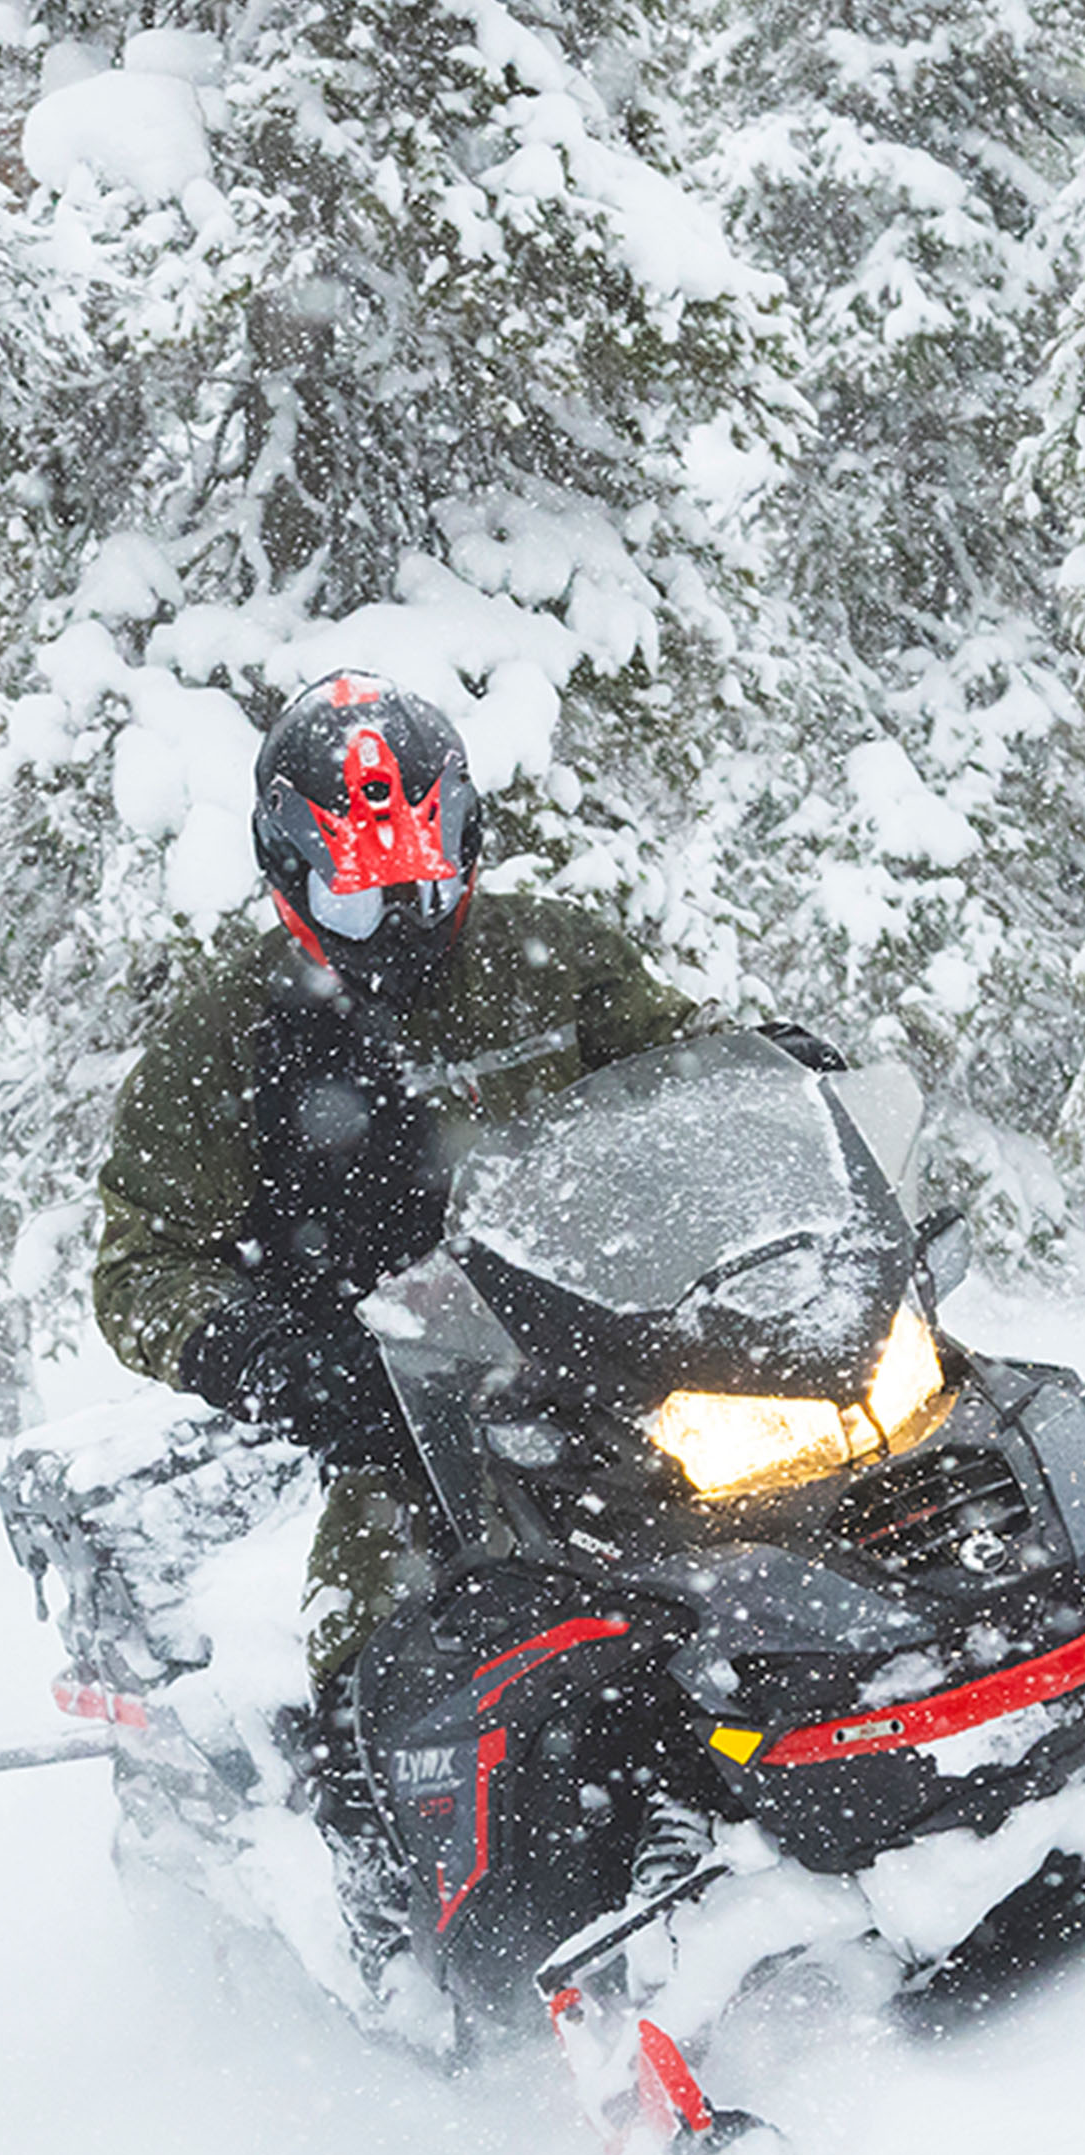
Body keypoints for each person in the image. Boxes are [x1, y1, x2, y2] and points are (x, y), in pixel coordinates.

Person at [90, 673, 716, 2004]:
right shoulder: (228, 1038)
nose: (401, 925)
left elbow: (682, 1071)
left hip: (612, 1353)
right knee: (373, 1638)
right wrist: (278, 1358)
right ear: (292, 879)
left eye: (423, 888)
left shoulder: (556, 955)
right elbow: (139, 1267)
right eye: (367, 900)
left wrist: (762, 1081)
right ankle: (403, 1938)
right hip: (393, 1419)